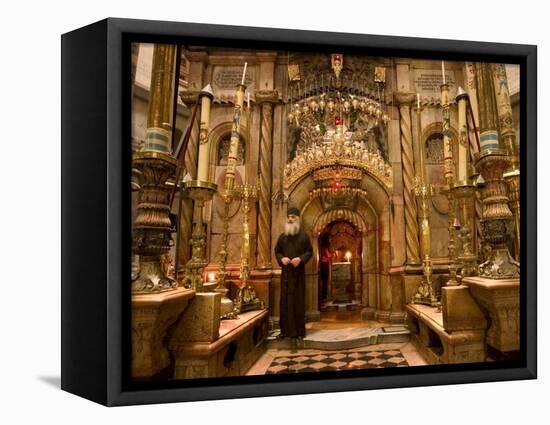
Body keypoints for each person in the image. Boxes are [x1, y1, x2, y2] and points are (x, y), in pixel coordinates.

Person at [274, 207, 313, 338]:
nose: (290, 219)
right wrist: (281, 259)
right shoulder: (282, 237)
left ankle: (299, 332)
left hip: (298, 275)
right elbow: (277, 251)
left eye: (293, 217)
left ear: (298, 219)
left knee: (297, 303)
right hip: (285, 274)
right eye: (289, 217)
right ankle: (284, 331)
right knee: (285, 303)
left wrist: (300, 259)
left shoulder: (304, 236)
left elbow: (309, 251)